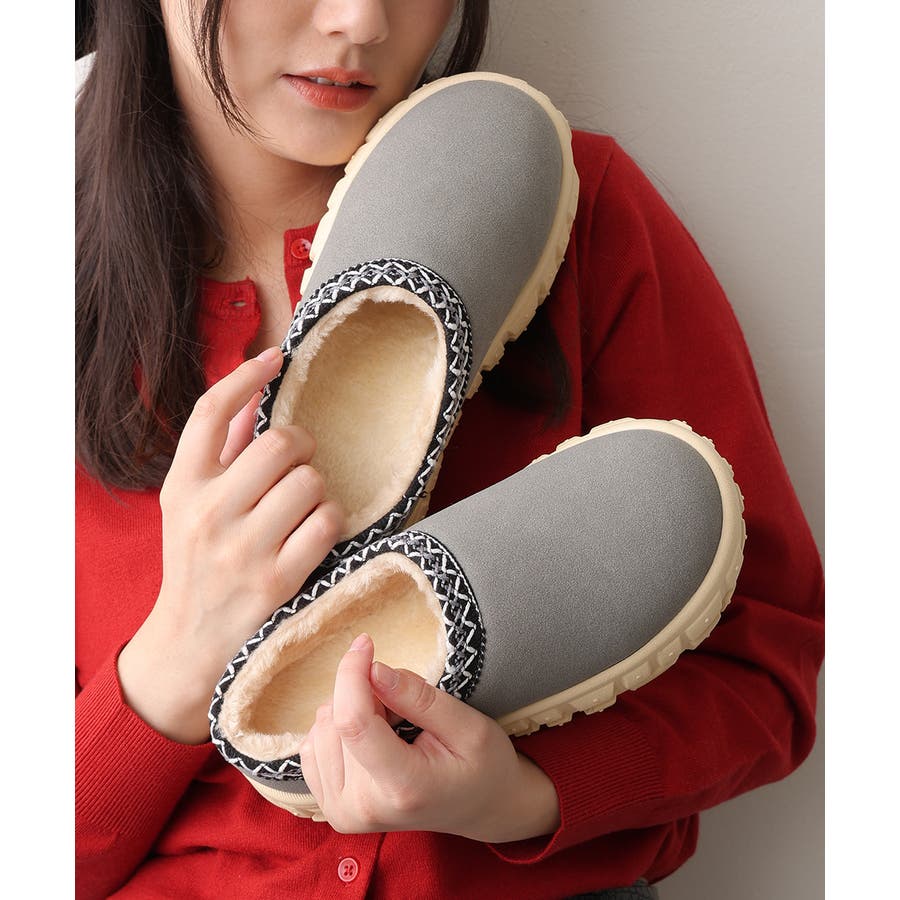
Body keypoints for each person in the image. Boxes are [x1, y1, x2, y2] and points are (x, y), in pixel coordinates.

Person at [74, 1, 824, 898]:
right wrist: (180, 650)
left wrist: (518, 797)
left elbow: (766, 666)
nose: (360, 20)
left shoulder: (581, 203)